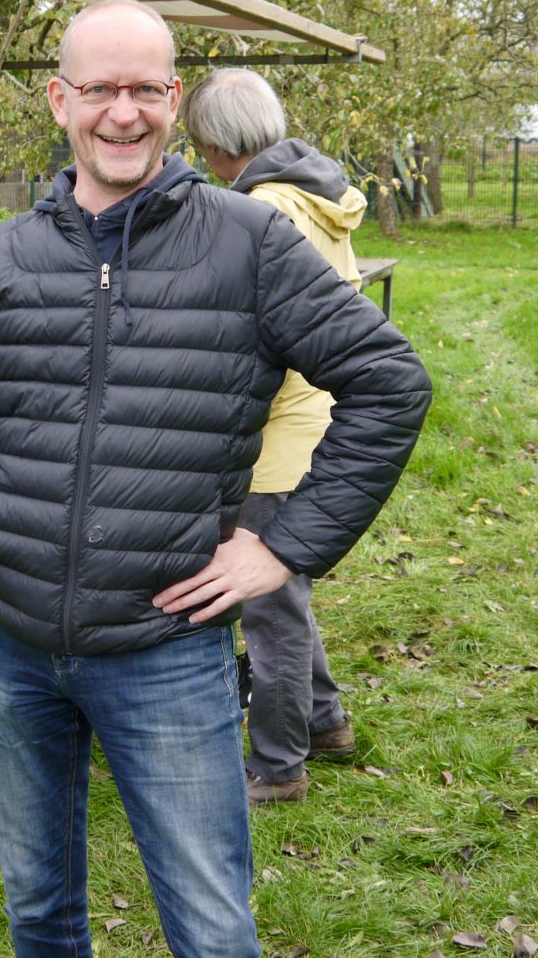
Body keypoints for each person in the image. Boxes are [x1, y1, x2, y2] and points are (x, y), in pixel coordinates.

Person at [0, 0, 432, 958]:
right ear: (59, 101)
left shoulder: (247, 245)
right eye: (99, 90)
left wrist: (285, 546)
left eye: (144, 90)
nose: (121, 113)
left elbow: (390, 384)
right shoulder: (3, 260)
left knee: (211, 929)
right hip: (9, 642)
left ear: (175, 101)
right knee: (41, 914)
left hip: (163, 643)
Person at [183, 68, 367, 802]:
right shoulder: (313, 193)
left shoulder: (265, 210)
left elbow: (250, 336)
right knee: (285, 589)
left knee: (267, 606)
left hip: (280, 436)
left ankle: (278, 765)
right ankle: (325, 723)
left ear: (216, 143)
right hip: (312, 420)